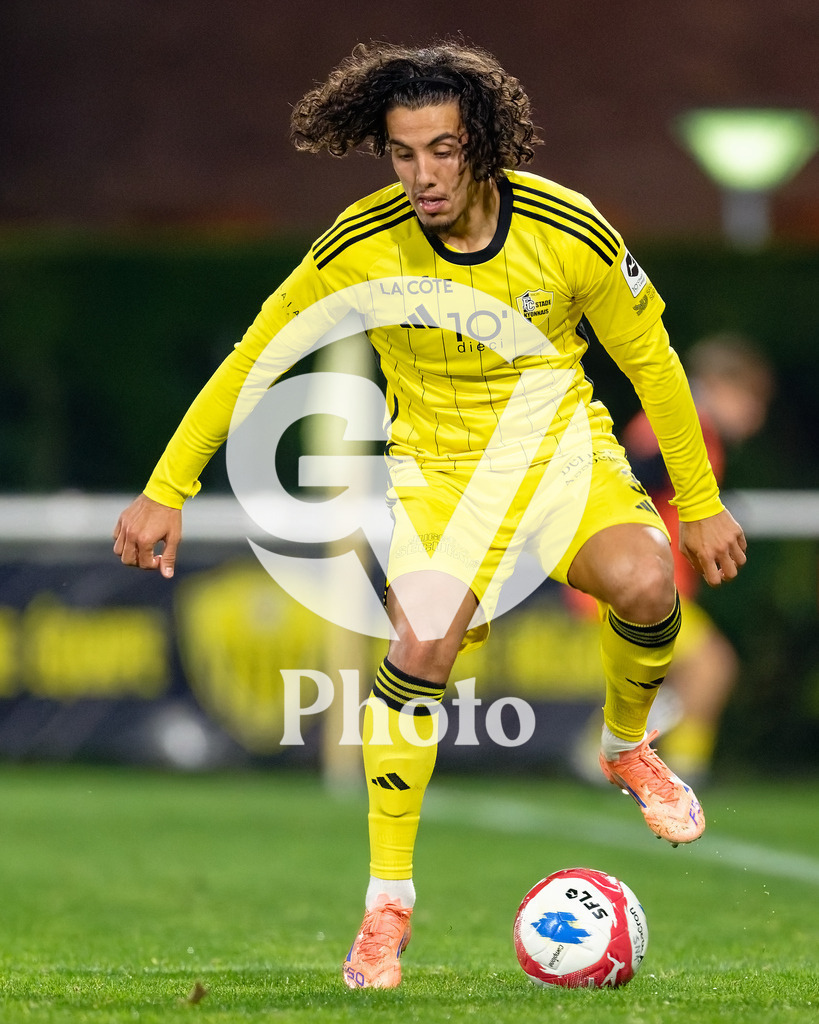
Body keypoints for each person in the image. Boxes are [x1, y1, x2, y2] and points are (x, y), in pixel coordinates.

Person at [113, 41, 747, 990]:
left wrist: (697, 503)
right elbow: (256, 356)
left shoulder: (567, 229)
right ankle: (387, 908)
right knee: (418, 648)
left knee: (647, 584)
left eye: (442, 150)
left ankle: (626, 746)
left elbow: (651, 362)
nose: (423, 175)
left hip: (561, 460)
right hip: (441, 482)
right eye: (403, 154)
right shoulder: (359, 244)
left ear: (481, 144)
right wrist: (168, 487)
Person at [622, 333, 773, 784]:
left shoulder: (690, 426)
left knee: (680, 678)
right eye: (751, 400)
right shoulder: (681, 424)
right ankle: (684, 770)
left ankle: (605, 755)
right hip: (634, 583)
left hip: (649, 584)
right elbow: (630, 477)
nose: (756, 415)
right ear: (721, 385)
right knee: (711, 666)